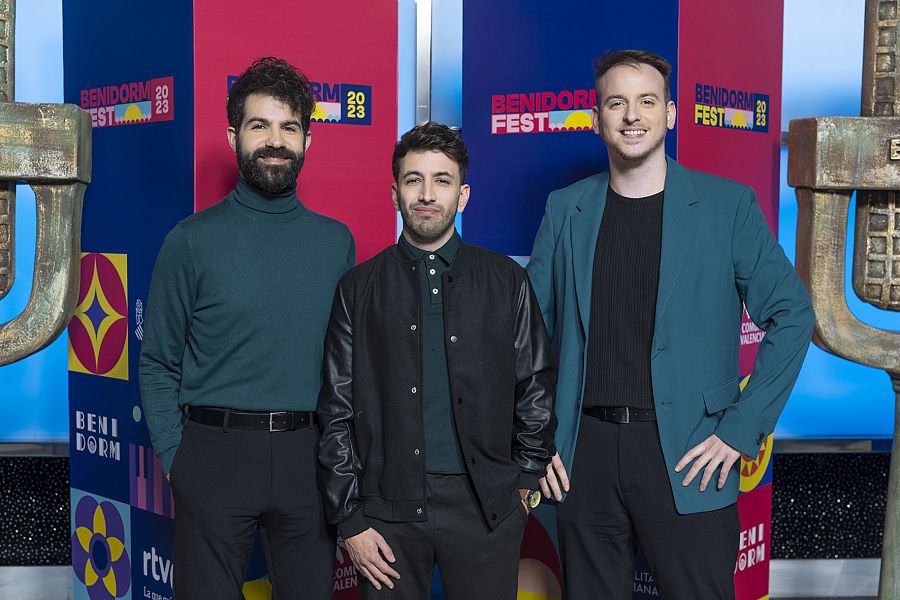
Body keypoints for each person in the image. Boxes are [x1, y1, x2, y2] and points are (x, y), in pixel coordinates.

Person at [526, 49, 814, 599]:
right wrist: (535, 438)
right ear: (597, 117)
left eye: (647, 102)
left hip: (689, 454)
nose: (632, 115)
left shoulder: (726, 207)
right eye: (617, 102)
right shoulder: (565, 209)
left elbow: (793, 315)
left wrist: (740, 428)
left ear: (671, 114)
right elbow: (527, 336)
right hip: (582, 455)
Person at [139, 56, 355, 599]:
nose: (275, 141)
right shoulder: (189, 241)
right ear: (234, 135)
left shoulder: (336, 244)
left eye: (289, 127)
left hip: (309, 456)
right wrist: (176, 459)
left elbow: (349, 363)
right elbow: (158, 359)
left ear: (309, 140)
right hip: (214, 453)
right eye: (260, 126)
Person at [317, 122, 556, 600]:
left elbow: (535, 383)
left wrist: (526, 481)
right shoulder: (358, 288)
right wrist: (350, 518)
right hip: (386, 512)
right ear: (395, 192)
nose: (427, 194)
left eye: (442, 180)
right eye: (413, 180)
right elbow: (335, 409)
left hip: (486, 505)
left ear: (462, 195)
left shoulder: (506, 280)